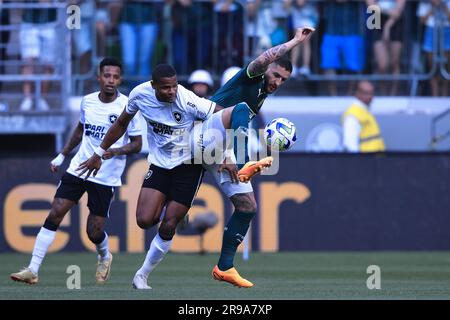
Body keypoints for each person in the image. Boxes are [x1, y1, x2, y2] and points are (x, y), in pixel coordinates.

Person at [190, 26, 314, 288]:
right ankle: (244, 163)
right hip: (204, 135)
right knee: (242, 111)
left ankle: (224, 267)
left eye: (283, 80)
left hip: (221, 151)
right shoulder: (252, 77)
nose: (277, 83)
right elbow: (263, 59)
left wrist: (229, 153)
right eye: (277, 75)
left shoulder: (261, 96)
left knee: (248, 206)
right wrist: (295, 41)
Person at [76, 64, 220, 290]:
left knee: (167, 226)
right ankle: (172, 210)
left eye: (174, 86)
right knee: (144, 220)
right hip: (160, 162)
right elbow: (121, 123)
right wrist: (98, 152)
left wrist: (226, 153)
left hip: (189, 164)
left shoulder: (188, 99)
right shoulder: (140, 94)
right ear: (154, 86)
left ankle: (141, 275)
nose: (172, 91)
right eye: (166, 88)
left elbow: (222, 114)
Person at [10, 58, 143, 285]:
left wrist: (114, 151)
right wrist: (63, 154)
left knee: (93, 231)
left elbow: (138, 144)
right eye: (107, 76)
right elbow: (81, 130)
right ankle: (33, 269)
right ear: (98, 78)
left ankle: (104, 255)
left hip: (105, 175)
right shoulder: (88, 101)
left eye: (116, 77)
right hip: (79, 167)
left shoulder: (128, 106)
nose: (111, 80)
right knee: (56, 212)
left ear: (120, 79)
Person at [367, 0, 406, 96]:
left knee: (394, 63)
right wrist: (389, 11)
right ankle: (383, 93)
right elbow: (371, 6)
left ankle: (393, 94)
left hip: (395, 23)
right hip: (376, 21)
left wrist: (387, 27)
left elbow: (398, 11)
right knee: (382, 65)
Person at [417, 0, 450, 96]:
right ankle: (434, 96)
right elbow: (422, 20)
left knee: (446, 67)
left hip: (447, 31)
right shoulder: (425, 3)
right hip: (430, 31)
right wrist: (432, 8)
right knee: (432, 67)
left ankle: (445, 95)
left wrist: (443, 6)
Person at [341, 81, 385, 152]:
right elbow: (350, 144)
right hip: (365, 158)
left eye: (372, 93)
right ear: (357, 94)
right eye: (366, 93)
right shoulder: (353, 114)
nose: (370, 97)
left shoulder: (364, 110)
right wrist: (357, 161)